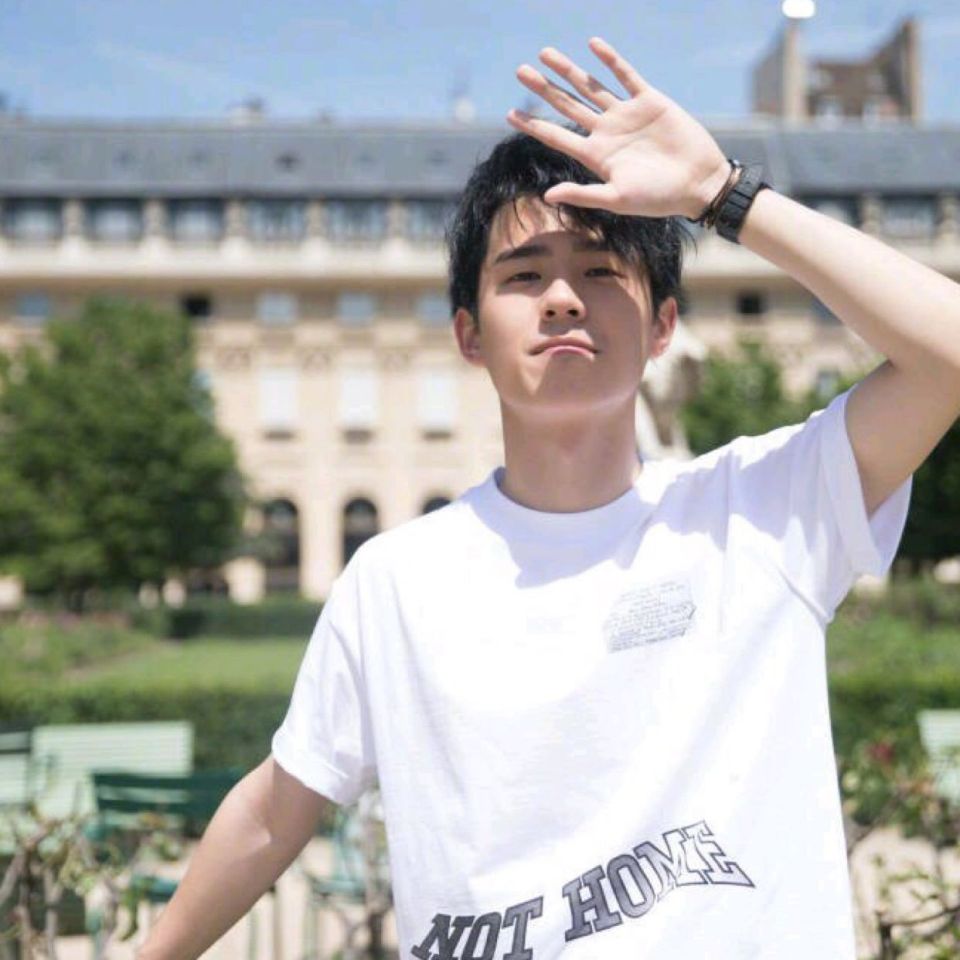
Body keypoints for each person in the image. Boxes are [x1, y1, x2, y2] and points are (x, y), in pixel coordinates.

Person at [138, 37, 960, 960]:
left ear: (662, 327)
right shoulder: (395, 580)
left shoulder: (760, 510)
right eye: (524, 275)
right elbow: (275, 810)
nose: (563, 298)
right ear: (468, 335)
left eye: (601, 271)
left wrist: (721, 194)